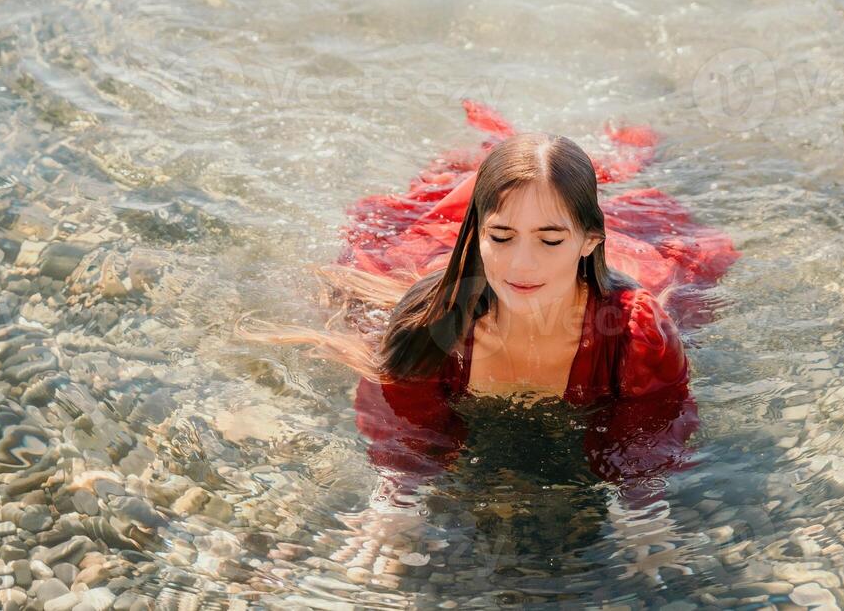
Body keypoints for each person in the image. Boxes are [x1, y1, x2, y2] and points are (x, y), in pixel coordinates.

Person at [237, 101, 739, 580]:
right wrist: (395, 501)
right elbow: (403, 422)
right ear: (474, 233)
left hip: (630, 271)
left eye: (549, 239)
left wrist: (641, 510)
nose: (522, 265)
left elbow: (650, 430)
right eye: (501, 237)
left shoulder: (634, 335)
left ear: (589, 240)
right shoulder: (431, 320)